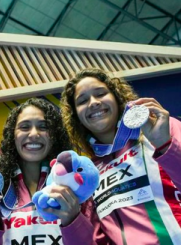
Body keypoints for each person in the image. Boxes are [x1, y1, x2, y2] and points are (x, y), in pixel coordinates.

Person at [60, 68, 181, 244]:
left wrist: (165, 145)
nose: (93, 102)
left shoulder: (160, 129)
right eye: (83, 101)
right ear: (76, 116)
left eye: (100, 94)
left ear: (117, 99)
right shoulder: (89, 174)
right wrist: (70, 220)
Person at [0, 98, 94, 244]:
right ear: (12, 136)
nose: (34, 134)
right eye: (24, 127)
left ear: (55, 135)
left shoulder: (77, 190)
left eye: (43, 127)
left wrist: (73, 220)